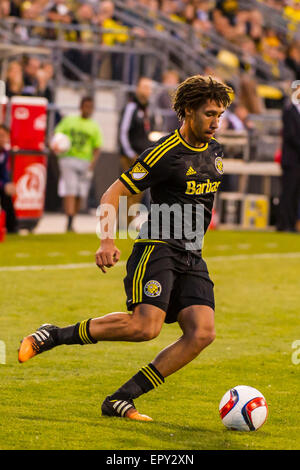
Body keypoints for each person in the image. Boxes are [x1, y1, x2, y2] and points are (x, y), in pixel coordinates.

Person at [18, 75, 233, 422]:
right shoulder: (164, 153)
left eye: (220, 115)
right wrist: (107, 240)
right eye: (210, 114)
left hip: (192, 254)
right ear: (188, 110)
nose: (216, 122)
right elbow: (112, 193)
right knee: (144, 328)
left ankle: (121, 399)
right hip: (158, 247)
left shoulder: (215, 150)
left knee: (202, 333)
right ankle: (53, 335)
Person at [52, 96, 103, 232]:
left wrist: (92, 164)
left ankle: (72, 218)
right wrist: (56, 145)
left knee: (80, 193)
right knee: (71, 189)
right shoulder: (69, 120)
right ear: (81, 106)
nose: (88, 110)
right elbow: (57, 135)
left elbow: (97, 147)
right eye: (86, 106)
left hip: (85, 161)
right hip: (68, 158)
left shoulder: (94, 126)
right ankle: (69, 220)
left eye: (90, 107)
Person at [277, 89, 300, 232]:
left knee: (296, 193)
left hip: (297, 160)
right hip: (291, 160)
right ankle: (284, 224)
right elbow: (291, 136)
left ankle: (292, 223)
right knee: (288, 192)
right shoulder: (289, 111)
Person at [0, 125, 17, 233]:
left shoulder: (5, 154)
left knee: (7, 195)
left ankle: (12, 228)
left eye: (3, 136)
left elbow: (3, 172)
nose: (0, 138)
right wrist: (3, 185)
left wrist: (8, 184)